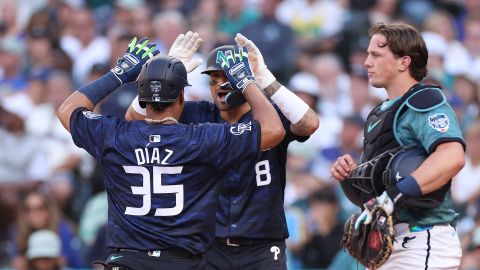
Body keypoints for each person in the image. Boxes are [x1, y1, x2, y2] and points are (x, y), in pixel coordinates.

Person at [57, 34, 285, 270]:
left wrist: (120, 74)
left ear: (142, 100)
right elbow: (273, 130)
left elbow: (68, 110)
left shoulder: (115, 136)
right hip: (182, 262)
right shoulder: (203, 138)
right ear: (181, 97)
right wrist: (247, 81)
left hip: (126, 260)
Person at [126, 33, 319, 269]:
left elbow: (309, 122)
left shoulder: (268, 118)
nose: (219, 85)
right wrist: (166, 73)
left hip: (262, 246)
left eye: (227, 77)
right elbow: (135, 119)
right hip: (209, 246)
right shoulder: (197, 114)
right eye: (214, 78)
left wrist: (264, 77)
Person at [331, 22, 466, 269]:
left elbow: (452, 156)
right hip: (390, 242)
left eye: (376, 55)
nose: (367, 62)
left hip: (423, 239)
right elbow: (373, 196)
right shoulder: (377, 114)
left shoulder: (424, 100)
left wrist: (396, 193)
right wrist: (349, 177)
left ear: (403, 62)